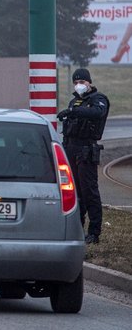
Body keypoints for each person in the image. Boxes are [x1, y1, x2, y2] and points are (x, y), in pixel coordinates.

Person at [57, 68, 110, 244]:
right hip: (71, 149)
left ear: (89, 82)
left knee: (89, 192)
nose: (79, 85)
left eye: (82, 82)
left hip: (86, 150)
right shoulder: (74, 102)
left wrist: (73, 112)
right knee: (75, 192)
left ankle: (94, 232)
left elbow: (97, 113)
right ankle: (77, 230)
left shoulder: (98, 100)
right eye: (76, 82)